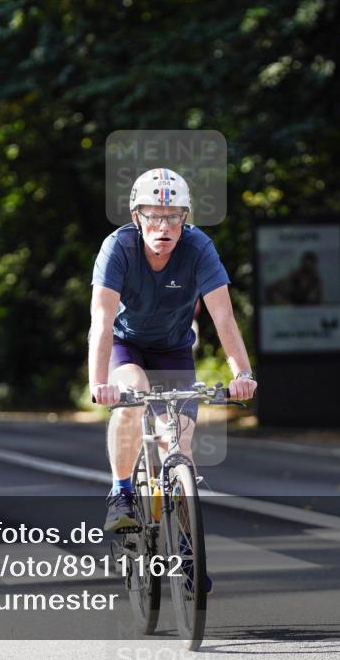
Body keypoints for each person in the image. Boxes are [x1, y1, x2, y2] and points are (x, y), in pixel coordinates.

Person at [89, 168, 258, 539]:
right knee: (132, 396)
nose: (163, 227)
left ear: (185, 218)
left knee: (177, 443)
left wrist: (243, 374)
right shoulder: (117, 248)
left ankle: (185, 545)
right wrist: (99, 383)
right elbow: (101, 320)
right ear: (136, 217)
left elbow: (224, 317)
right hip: (125, 344)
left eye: (174, 217)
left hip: (173, 349)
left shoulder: (198, 248)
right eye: (153, 216)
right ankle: (121, 493)